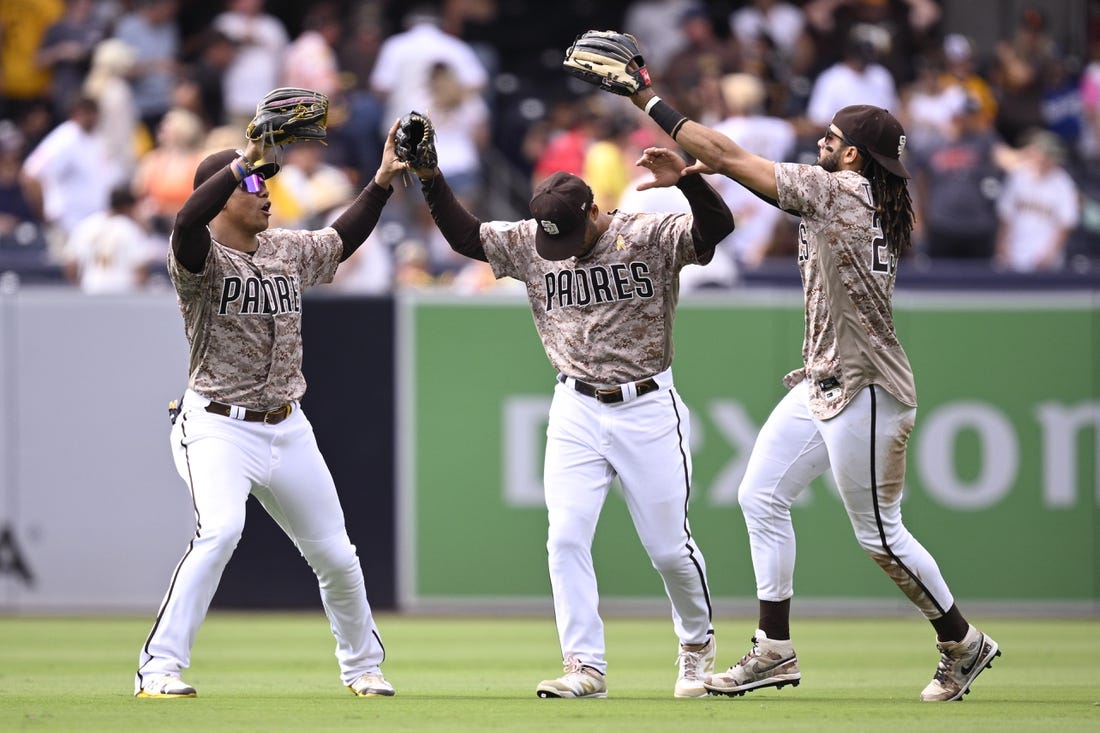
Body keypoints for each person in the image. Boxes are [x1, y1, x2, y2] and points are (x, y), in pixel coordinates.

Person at [611, 51, 1001, 702]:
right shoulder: (854, 191)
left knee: (879, 533)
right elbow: (736, 164)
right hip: (825, 380)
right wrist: (709, 174)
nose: (822, 141)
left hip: (867, 386)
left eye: (834, 138)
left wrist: (645, 97)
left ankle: (963, 641)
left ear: (852, 158)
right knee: (758, 495)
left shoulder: (842, 191)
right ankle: (774, 647)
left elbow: (731, 153)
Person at [401, 117, 734, 698]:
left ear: (594, 214)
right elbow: (465, 237)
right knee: (564, 538)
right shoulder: (536, 242)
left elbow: (716, 228)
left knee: (668, 548)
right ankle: (586, 665)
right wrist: (430, 177)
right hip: (575, 407)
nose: (556, 248)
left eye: (567, 234)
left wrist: (688, 182)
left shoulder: (644, 234)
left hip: (646, 405)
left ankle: (697, 643)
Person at [133, 114, 409, 699]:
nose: (267, 192)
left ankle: (364, 668)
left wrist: (382, 181)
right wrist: (241, 159)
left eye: (266, 181)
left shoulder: (283, 248)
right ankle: (158, 668)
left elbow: (341, 240)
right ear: (223, 196)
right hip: (216, 426)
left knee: (336, 555)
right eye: (255, 184)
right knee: (220, 532)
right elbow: (185, 219)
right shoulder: (200, 258)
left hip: (287, 426)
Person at [995, 129, 1080, 272]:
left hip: (1044, 262)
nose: (1044, 158)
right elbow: (1005, 215)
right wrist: (1002, 247)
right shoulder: (1018, 176)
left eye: (1049, 155)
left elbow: (1066, 223)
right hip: (1014, 255)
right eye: (1042, 153)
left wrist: (1050, 254)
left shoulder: (1063, 183)